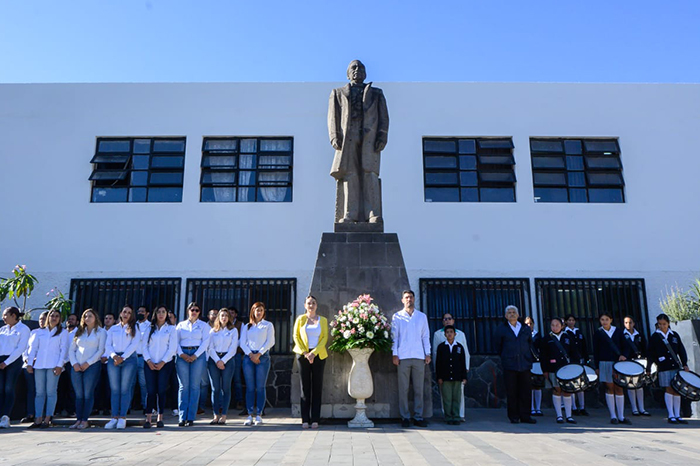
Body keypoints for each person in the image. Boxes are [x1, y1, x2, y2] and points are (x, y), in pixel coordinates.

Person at [328, 59, 389, 224]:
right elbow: (333, 117)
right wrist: (334, 136)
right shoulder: (338, 93)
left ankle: (372, 214)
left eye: (361, 67)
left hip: (370, 138)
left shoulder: (377, 93)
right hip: (348, 138)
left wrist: (382, 136)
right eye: (353, 67)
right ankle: (350, 214)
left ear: (365, 73)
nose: (357, 70)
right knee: (350, 174)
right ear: (348, 73)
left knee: (370, 173)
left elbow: (384, 118)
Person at [391, 290, 431, 428]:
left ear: (414, 299)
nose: (409, 299)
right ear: (402, 300)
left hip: (419, 356)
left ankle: (418, 416)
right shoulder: (397, 316)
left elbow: (425, 336)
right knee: (403, 389)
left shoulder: (421, 317)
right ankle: (405, 417)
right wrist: (394, 354)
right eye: (406, 297)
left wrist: (427, 353)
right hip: (403, 357)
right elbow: (394, 337)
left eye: (411, 297)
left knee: (419, 388)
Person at [26, 310, 70, 429]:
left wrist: (60, 365)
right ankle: (38, 418)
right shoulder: (39, 332)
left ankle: (48, 418)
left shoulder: (63, 332)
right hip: (39, 365)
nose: (54, 318)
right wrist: (29, 363)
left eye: (57, 316)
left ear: (60, 319)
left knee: (51, 392)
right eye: (52, 316)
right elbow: (33, 349)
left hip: (54, 365)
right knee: (39, 392)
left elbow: (64, 350)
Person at [493, 305, 536, 424]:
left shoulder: (525, 328)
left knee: (525, 391)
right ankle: (514, 416)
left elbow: (529, 343)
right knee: (512, 392)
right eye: (509, 312)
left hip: (524, 364)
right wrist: (506, 356)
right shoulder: (501, 329)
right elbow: (498, 345)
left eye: (514, 312)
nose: (512, 314)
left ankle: (526, 416)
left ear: (518, 315)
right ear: (505, 316)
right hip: (510, 365)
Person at [647, 313, 690, 424]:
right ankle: (671, 414)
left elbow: (681, 350)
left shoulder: (674, 335)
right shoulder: (655, 337)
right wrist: (649, 367)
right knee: (669, 389)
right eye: (660, 324)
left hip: (675, 366)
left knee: (677, 390)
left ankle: (677, 414)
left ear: (668, 323)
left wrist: (685, 364)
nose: (662, 326)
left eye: (664, 324)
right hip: (663, 367)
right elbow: (650, 354)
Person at [292, 296, 328, 429]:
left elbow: (324, 338)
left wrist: (314, 353)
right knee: (305, 387)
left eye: (313, 303)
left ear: (317, 305)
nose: (311, 305)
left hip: (319, 355)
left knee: (317, 387)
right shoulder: (300, 319)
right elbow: (296, 336)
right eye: (309, 303)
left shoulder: (323, 320)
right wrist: (306, 353)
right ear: (305, 305)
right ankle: (305, 419)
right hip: (303, 355)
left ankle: (315, 419)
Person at [104, 305, 141, 429]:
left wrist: (123, 357)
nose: (126, 314)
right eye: (124, 312)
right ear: (120, 313)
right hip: (114, 359)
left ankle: (122, 417)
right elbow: (108, 345)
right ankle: (114, 417)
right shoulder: (113, 329)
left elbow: (134, 345)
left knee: (125, 388)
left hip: (128, 359)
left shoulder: (134, 328)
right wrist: (114, 356)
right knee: (115, 389)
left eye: (129, 313)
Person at [68, 308, 106, 429]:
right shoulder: (79, 331)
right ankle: (78, 419)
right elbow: (72, 349)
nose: (87, 318)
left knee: (87, 393)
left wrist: (88, 363)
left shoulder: (101, 332)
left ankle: (85, 420)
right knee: (79, 394)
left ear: (95, 318)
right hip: (77, 365)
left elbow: (101, 350)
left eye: (90, 316)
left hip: (92, 365)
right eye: (85, 316)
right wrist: (74, 363)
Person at [593, 311, 631, 425]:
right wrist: (597, 366)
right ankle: (613, 415)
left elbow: (626, 346)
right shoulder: (598, 333)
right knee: (609, 387)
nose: (604, 322)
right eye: (602, 320)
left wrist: (624, 355)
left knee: (619, 387)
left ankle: (621, 416)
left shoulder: (618, 331)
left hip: (617, 363)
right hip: (604, 362)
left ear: (611, 320)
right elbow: (596, 351)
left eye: (606, 319)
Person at [175, 302, 210, 427]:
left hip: (197, 354)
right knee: (183, 386)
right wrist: (181, 354)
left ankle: (190, 417)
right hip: (182, 354)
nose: (194, 312)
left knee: (195, 386)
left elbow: (206, 342)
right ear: (188, 311)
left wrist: (196, 355)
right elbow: (175, 341)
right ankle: (182, 416)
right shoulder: (181, 325)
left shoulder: (204, 326)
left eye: (197, 310)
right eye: (192, 309)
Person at [538, 317, 578, 424]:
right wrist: (545, 370)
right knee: (556, 390)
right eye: (552, 325)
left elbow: (574, 353)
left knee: (567, 391)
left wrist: (575, 366)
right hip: (553, 368)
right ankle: (559, 415)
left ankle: (569, 415)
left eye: (557, 325)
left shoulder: (567, 337)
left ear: (562, 326)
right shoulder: (547, 338)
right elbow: (543, 356)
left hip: (566, 368)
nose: (555, 327)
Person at [240, 302, 275, 426]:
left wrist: (259, 354)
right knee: (250, 387)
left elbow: (270, 341)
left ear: (264, 312)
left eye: (261, 310)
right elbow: (242, 343)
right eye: (257, 310)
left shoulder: (268, 325)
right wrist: (251, 355)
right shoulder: (247, 326)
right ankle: (250, 414)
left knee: (260, 387)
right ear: (253, 311)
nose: (259, 312)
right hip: (249, 357)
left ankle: (259, 414)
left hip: (262, 357)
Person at [142, 305, 177, 429]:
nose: (161, 314)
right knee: (151, 391)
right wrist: (148, 360)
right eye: (159, 312)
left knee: (161, 390)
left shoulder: (171, 329)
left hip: (165, 364)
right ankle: (148, 418)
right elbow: (144, 346)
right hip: (150, 363)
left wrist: (163, 361)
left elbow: (172, 348)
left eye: (163, 312)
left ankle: (160, 418)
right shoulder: (149, 328)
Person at [432, 312, 470, 421]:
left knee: (459, 393)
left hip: (458, 370)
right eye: (445, 319)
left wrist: (466, 367)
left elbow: (465, 352)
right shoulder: (437, 334)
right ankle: (447, 414)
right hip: (445, 371)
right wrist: (438, 373)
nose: (447, 320)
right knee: (446, 394)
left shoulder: (461, 334)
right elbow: (436, 354)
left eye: (449, 318)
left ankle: (459, 414)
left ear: (453, 320)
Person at [0, 306, 31, 428]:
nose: (3, 317)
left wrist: (6, 362)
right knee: (1, 389)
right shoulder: (3, 329)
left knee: (9, 388)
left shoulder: (24, 329)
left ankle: (6, 416)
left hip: (13, 361)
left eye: (5, 315)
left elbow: (20, 348)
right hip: (1, 359)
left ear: (13, 316)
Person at [207, 308, 239, 425]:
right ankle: (215, 415)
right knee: (215, 388)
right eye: (222, 316)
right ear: (218, 318)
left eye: (226, 316)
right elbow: (210, 348)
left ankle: (224, 415)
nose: (224, 318)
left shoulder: (233, 331)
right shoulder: (213, 331)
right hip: (214, 360)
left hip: (228, 360)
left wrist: (223, 361)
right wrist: (217, 361)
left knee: (226, 388)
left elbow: (233, 348)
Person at [21, 311, 48, 424]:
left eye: (44, 319)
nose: (41, 321)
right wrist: (27, 359)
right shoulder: (33, 332)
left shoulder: (52, 334)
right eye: (40, 319)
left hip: (42, 365)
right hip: (30, 365)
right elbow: (26, 348)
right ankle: (30, 413)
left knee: (42, 391)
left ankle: (42, 414)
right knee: (31, 390)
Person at [623, 315, 650, 417]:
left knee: (639, 385)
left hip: (639, 361)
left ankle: (642, 408)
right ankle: (634, 408)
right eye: (626, 323)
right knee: (630, 385)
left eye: (630, 322)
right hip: (628, 362)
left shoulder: (639, 335)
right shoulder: (622, 335)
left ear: (634, 323)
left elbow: (645, 348)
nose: (628, 325)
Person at [564, 315, 589, 416]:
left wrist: (586, 358)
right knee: (571, 385)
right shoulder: (565, 333)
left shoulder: (579, 332)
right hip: (571, 361)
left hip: (580, 360)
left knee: (581, 385)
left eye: (573, 320)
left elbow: (584, 347)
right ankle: (573, 406)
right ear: (566, 322)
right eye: (569, 320)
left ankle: (582, 407)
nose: (571, 322)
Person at [198, 308, 219, 415]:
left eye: (216, 314)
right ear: (208, 316)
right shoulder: (203, 326)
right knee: (204, 383)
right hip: (203, 357)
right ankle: (201, 406)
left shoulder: (220, 328)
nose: (214, 316)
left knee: (217, 385)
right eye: (212, 314)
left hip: (216, 358)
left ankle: (218, 407)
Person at [95, 312, 115, 415]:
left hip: (110, 361)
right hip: (98, 361)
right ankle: (97, 407)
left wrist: (107, 357)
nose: (107, 320)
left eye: (110, 318)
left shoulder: (115, 331)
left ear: (114, 320)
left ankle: (107, 407)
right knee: (98, 385)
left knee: (108, 386)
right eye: (106, 318)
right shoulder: (99, 331)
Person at [132, 305, 150, 413]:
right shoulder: (133, 325)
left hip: (143, 357)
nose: (140, 313)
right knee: (130, 383)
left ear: (147, 314)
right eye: (139, 311)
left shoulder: (150, 326)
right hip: (132, 357)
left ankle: (145, 406)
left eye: (142, 311)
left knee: (144, 384)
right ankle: (127, 407)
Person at [524, 316, 542, 417]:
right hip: (526, 362)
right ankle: (531, 407)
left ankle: (538, 408)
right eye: (527, 323)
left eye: (530, 323)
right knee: (529, 386)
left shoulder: (537, 335)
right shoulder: (522, 335)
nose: (529, 325)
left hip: (536, 362)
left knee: (537, 385)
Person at [229, 307, 244, 411]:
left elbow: (241, 338)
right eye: (229, 313)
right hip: (224, 354)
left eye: (232, 313)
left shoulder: (240, 324)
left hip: (236, 353)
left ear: (236, 315)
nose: (230, 315)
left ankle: (239, 401)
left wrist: (233, 347)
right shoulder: (224, 324)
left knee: (237, 378)